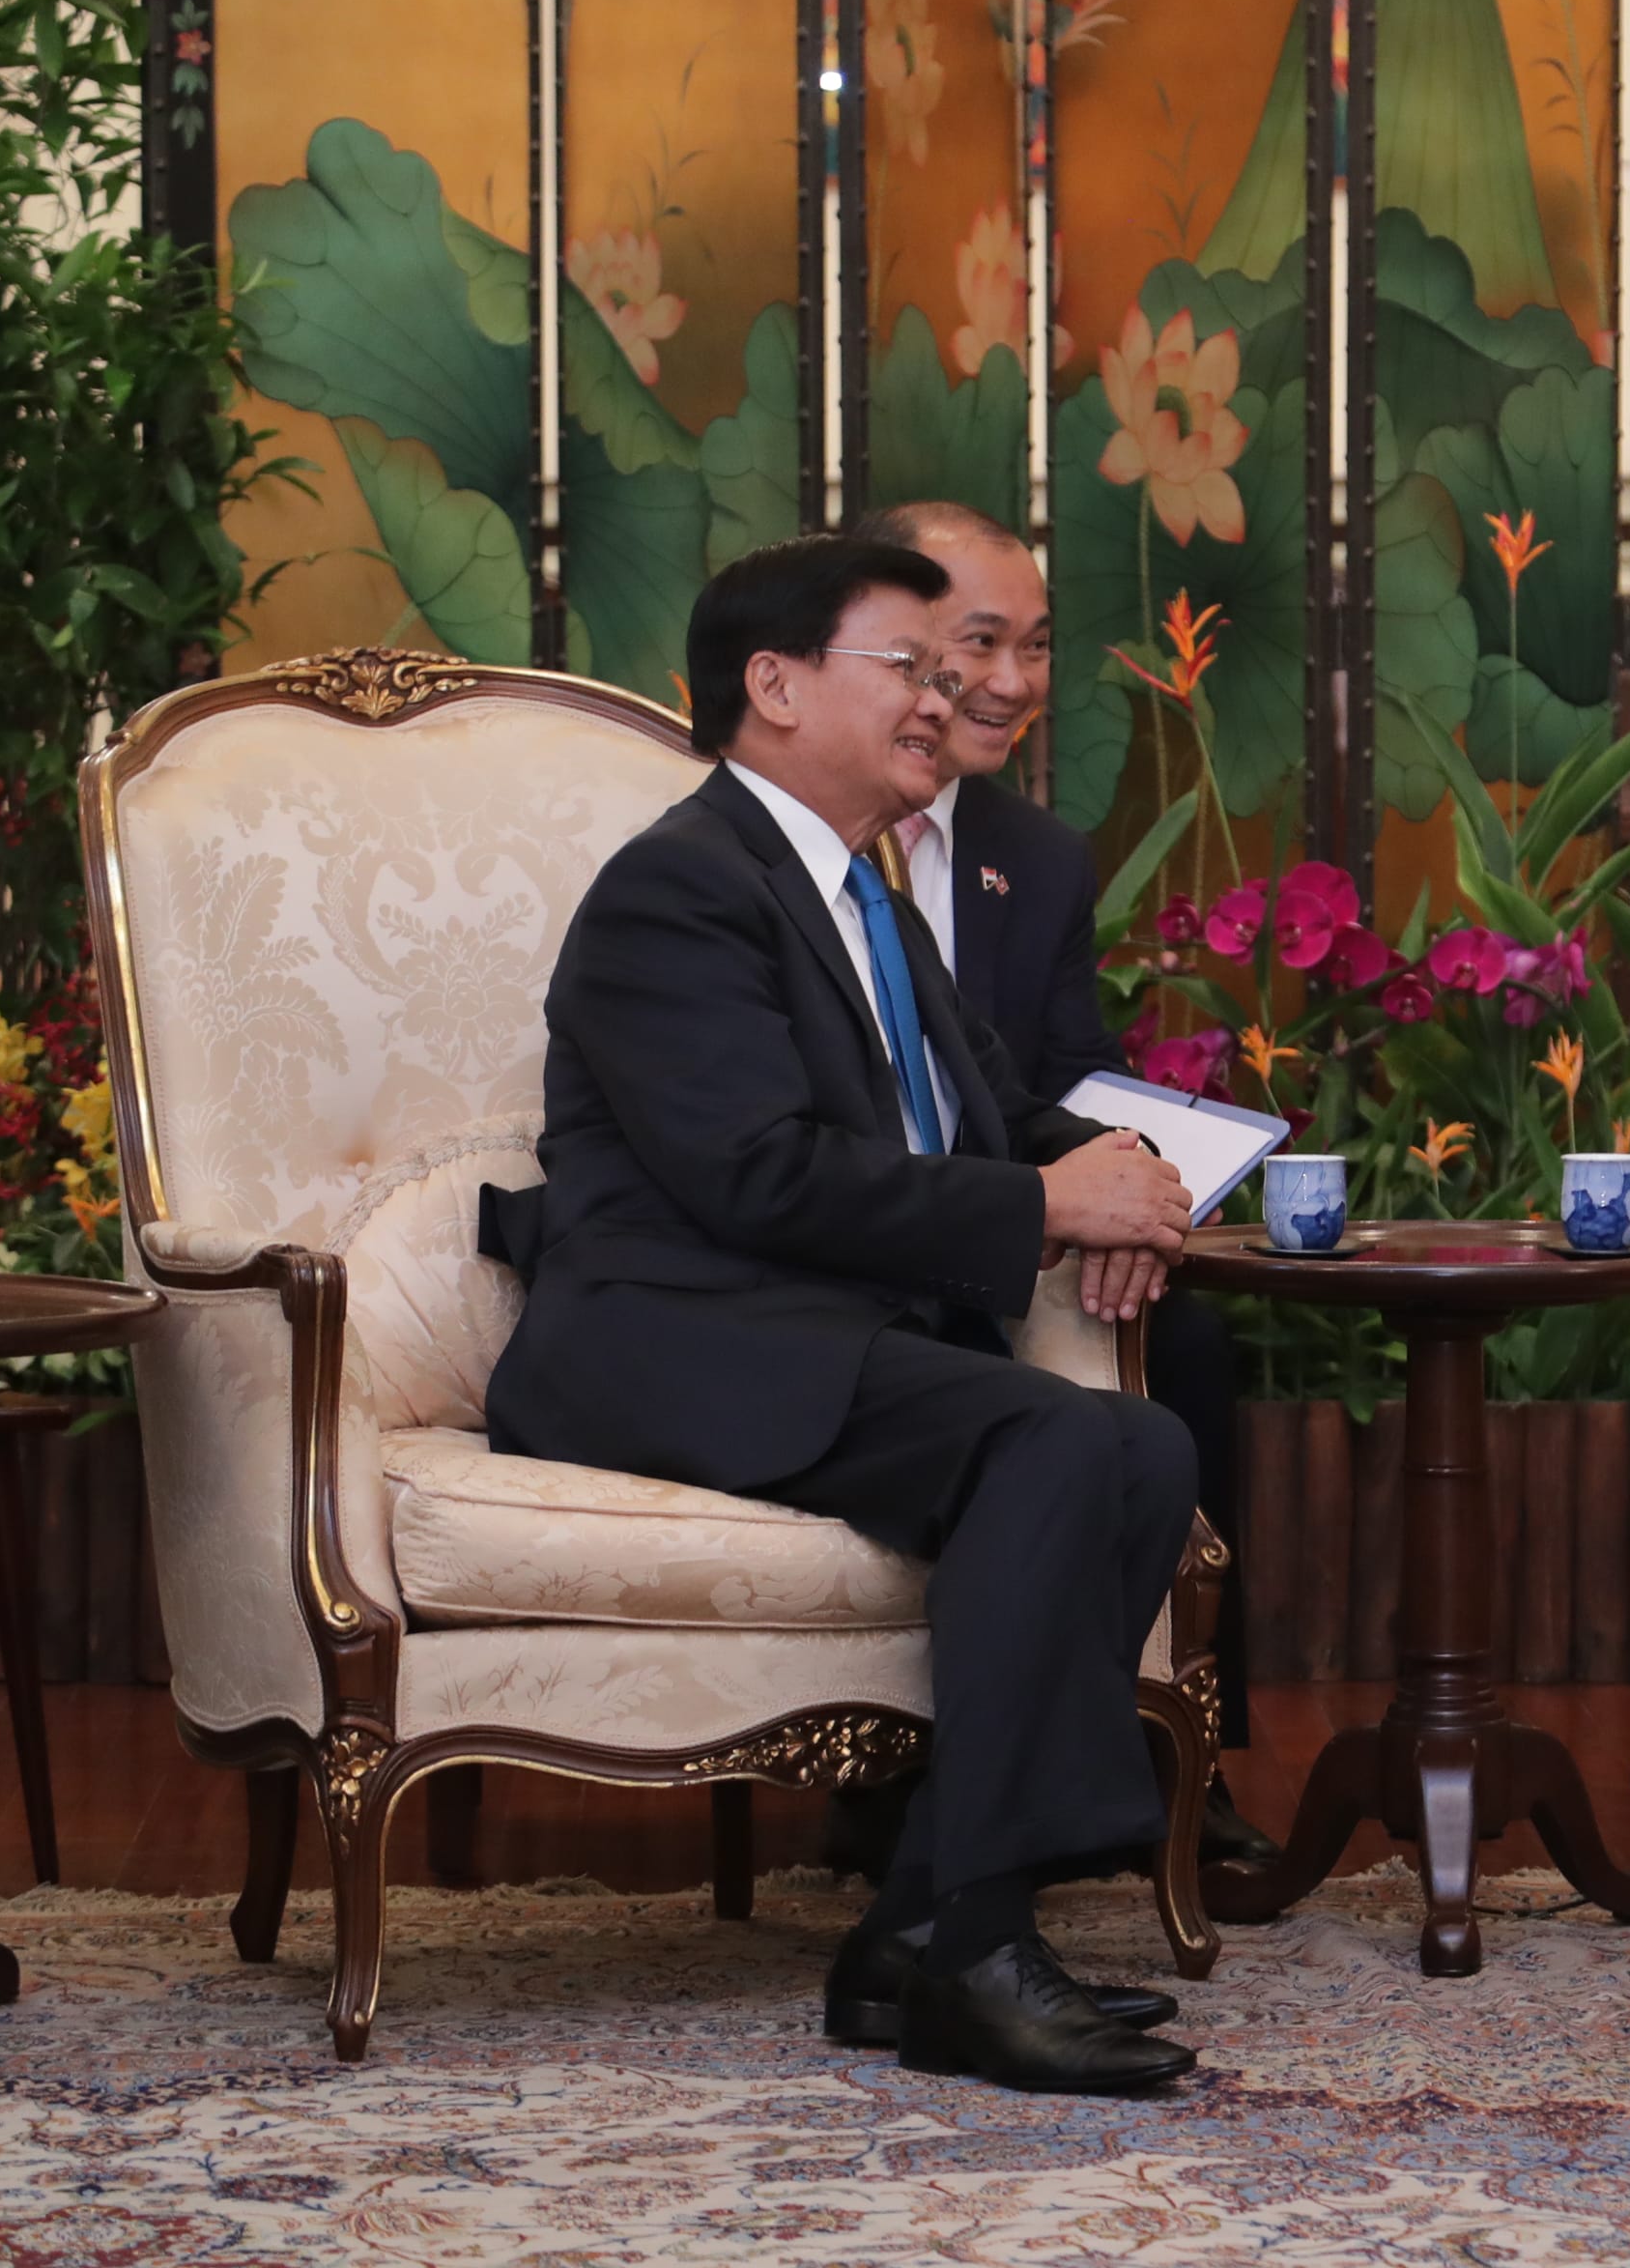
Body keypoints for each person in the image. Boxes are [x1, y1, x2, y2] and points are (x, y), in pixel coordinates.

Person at [479, 534, 1205, 2096]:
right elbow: (754, 1177)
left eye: (953, 674)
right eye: (912, 668)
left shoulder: (861, 893)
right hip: (674, 1337)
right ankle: (980, 1948)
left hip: (819, 1334)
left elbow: (981, 1114)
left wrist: (1124, 1170)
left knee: (1140, 1448)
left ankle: (923, 1929)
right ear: (776, 684)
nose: (945, 700)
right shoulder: (679, 889)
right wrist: (1043, 1211)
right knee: (1059, 1447)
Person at [855, 500, 1277, 1870]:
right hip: (848, 1243)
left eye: (1036, 647)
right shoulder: (763, 848)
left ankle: (1181, 1755)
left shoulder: (1030, 857)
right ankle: (924, 1781)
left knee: (1185, 1346)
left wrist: (1135, 1193)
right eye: (980, 642)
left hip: (1013, 1254)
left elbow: (1071, 1079)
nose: (1015, 684)